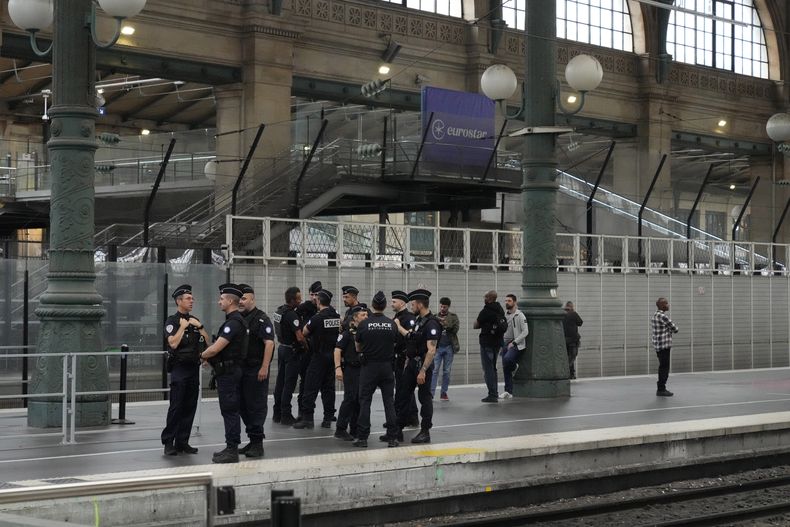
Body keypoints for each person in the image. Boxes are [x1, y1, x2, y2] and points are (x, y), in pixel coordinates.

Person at [200, 283, 249, 464]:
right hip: (229, 370)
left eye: (221, 299)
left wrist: (202, 355)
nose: (219, 302)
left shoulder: (233, 323)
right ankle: (231, 447)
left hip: (229, 372)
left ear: (230, 301)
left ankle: (232, 449)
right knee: (230, 410)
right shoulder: (236, 321)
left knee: (229, 410)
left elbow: (216, 348)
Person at [161, 284, 210, 456]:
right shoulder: (172, 321)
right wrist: (182, 327)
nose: (192, 301)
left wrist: (200, 326)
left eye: (192, 298)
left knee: (190, 406)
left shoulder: (195, 320)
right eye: (188, 298)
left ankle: (183, 441)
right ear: (178, 301)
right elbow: (173, 343)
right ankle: (169, 442)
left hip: (192, 368)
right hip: (179, 369)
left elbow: (207, 342)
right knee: (176, 406)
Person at [394, 289, 441, 444]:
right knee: (403, 395)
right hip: (412, 363)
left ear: (420, 304)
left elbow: (431, 349)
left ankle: (425, 431)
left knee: (424, 398)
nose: (411, 306)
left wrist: (423, 371)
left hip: (422, 366)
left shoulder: (432, 323)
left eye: (413, 304)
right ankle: (397, 430)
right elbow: (410, 337)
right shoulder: (418, 321)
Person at [354, 291, 399, 448]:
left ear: (373, 306)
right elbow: (395, 343)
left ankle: (362, 438)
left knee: (365, 400)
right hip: (387, 367)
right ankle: (393, 437)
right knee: (389, 402)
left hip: (369, 367)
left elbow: (358, 347)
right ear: (385, 306)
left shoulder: (364, 324)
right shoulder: (391, 324)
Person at [237, 284, 275, 458]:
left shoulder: (261, 319)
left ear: (252, 298)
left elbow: (269, 343)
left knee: (256, 406)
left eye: (244, 298)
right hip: (242, 370)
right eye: (239, 299)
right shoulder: (238, 318)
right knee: (243, 406)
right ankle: (252, 440)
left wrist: (265, 367)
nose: (241, 302)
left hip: (256, 369)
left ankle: (258, 443)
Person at [294, 289, 340, 429]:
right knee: (328, 388)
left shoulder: (317, 318)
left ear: (319, 301)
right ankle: (327, 418)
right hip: (331, 356)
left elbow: (305, 332)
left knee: (310, 387)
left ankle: (308, 419)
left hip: (318, 356)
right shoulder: (336, 317)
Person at [271, 286, 307, 426]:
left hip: (282, 348)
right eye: (298, 298)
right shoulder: (292, 314)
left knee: (280, 382)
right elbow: (299, 336)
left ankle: (277, 413)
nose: (301, 300)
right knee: (289, 383)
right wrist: (306, 346)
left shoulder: (279, 311)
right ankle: (286, 414)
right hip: (292, 351)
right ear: (292, 300)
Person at [334, 304, 368, 441]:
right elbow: (337, 350)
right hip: (351, 369)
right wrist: (338, 368)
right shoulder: (347, 334)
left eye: (366, 315)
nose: (366, 317)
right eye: (362, 315)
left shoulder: (365, 332)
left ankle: (355, 428)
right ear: (354, 318)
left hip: (363, 369)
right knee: (350, 399)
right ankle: (340, 428)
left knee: (360, 400)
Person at [391, 290, 419, 427]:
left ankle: (411, 417)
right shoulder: (397, 316)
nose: (392, 304)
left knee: (405, 389)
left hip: (405, 357)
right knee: (402, 388)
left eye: (394, 301)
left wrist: (398, 326)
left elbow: (410, 337)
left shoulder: (409, 318)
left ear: (402, 303)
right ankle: (403, 417)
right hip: (397, 357)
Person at [474, 290, 506, 403]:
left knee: (488, 369)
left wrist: (483, 324)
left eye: (485, 297)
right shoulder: (500, 309)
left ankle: (492, 394)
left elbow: (476, 324)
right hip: (497, 343)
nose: (484, 298)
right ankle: (494, 392)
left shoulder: (486, 310)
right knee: (493, 368)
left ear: (489, 298)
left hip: (487, 342)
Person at [431, 297, 459, 401]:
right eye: (441, 306)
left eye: (445, 307)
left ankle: (443, 392)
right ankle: (431, 393)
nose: (442, 308)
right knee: (434, 370)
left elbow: (455, 329)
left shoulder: (453, 317)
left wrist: (445, 324)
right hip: (438, 347)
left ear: (448, 307)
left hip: (449, 347)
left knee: (446, 371)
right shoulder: (435, 317)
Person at [501, 294, 528, 399]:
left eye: (509, 301)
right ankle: (508, 391)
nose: (507, 302)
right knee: (505, 368)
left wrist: (515, 342)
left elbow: (525, 331)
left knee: (508, 360)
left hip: (516, 344)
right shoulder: (505, 315)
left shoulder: (520, 315)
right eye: (506, 301)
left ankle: (514, 366)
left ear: (514, 302)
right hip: (505, 343)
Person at [652, 297, 679, 397]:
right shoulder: (663, 316)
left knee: (662, 366)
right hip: (664, 345)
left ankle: (660, 388)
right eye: (667, 303)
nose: (668, 305)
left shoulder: (655, 315)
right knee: (664, 368)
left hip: (658, 345)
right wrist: (670, 329)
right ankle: (661, 389)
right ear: (663, 305)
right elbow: (675, 329)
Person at [563, 301, 583, 379]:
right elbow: (580, 323)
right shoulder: (573, 314)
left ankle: (571, 374)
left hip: (564, 340)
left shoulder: (562, 314)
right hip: (573, 340)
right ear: (572, 307)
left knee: (568, 356)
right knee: (572, 356)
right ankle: (567, 371)